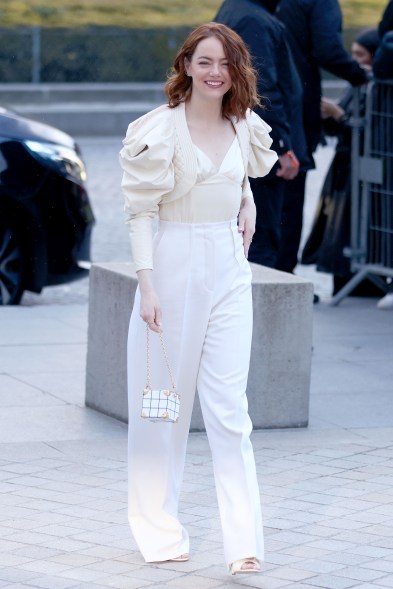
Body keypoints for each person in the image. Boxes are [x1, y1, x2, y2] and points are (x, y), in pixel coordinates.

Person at [119, 23, 278, 575]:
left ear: (238, 72)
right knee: (163, 406)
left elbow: (238, 176)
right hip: (173, 264)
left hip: (231, 268)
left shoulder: (243, 127)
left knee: (230, 409)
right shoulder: (159, 130)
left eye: (226, 63)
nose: (216, 72)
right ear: (186, 65)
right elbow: (141, 211)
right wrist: (147, 285)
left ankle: (243, 543)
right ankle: (158, 530)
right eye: (205, 61)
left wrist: (246, 198)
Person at [275, 0, 369, 277]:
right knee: (289, 197)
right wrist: (359, 76)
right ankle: (282, 277)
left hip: (273, 103)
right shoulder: (320, 2)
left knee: (271, 201)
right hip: (296, 107)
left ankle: (269, 274)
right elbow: (328, 48)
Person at [215, 0, 310, 269]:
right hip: (260, 147)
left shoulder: (238, 10)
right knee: (261, 241)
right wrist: (280, 148)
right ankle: (258, 310)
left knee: (251, 236)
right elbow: (262, 88)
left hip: (246, 141)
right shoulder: (254, 19)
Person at [301, 30, 380, 294]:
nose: (355, 61)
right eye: (353, 54)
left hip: (356, 170)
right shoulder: (356, 83)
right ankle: (342, 281)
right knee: (338, 228)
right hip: (344, 168)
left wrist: (338, 114)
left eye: (361, 55)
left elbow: (369, 130)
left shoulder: (375, 87)